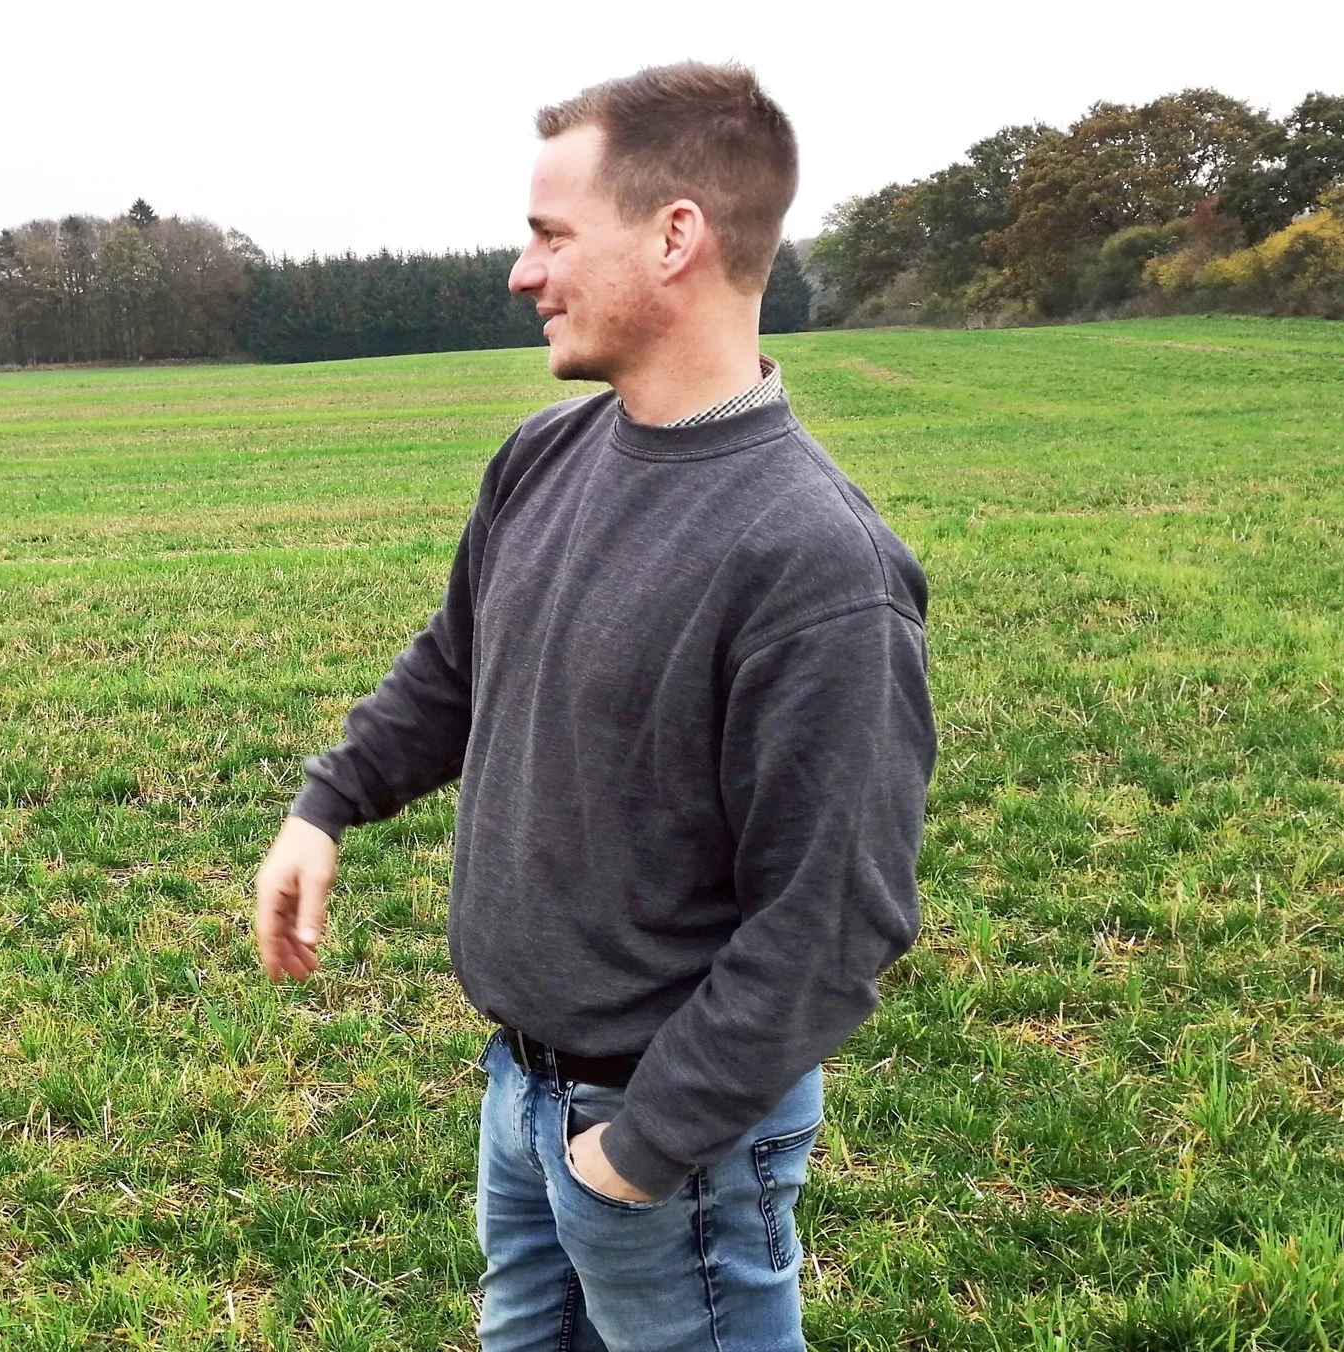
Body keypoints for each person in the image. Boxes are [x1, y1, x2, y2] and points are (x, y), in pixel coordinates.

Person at [251, 63, 936, 1351]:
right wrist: (327, 803)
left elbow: (835, 917)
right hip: (524, 1091)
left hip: (673, 1137)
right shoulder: (545, 456)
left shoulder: (815, 564)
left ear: (676, 235)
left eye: (552, 234)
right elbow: (455, 668)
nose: (524, 271)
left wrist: (642, 1151)